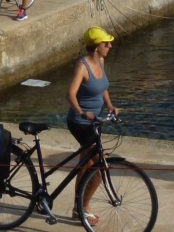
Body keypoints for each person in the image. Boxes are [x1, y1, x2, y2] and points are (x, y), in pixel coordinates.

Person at [66, 26, 120, 226]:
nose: (110, 46)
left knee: (86, 164)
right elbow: (70, 94)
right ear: (97, 46)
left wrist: (110, 105)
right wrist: (82, 112)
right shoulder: (82, 66)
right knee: (99, 166)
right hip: (80, 122)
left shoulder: (101, 61)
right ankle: (83, 209)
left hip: (95, 121)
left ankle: (77, 207)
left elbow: (102, 87)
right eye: (106, 43)